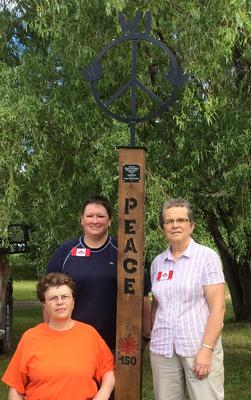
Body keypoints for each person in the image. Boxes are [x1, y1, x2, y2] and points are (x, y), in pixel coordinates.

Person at [47, 195, 151, 353]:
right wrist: (49, 334)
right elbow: (48, 297)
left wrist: (145, 336)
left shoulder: (126, 253)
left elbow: (142, 298)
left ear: (109, 220)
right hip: (71, 343)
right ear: (82, 219)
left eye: (100, 216)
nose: (95, 221)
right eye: (89, 216)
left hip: (114, 345)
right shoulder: (65, 252)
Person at [150, 198, 225, 400]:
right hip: (163, 348)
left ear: (191, 225)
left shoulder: (207, 257)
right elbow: (157, 304)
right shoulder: (158, 263)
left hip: (197, 346)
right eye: (169, 221)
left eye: (181, 220)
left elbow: (218, 308)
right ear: (162, 227)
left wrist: (206, 350)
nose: (175, 225)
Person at [2, 272, 115, 400]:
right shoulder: (30, 338)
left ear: (73, 302)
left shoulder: (90, 334)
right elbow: (16, 388)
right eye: (53, 298)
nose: (60, 302)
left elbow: (108, 374)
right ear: (44, 306)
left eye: (65, 296)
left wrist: (101, 396)